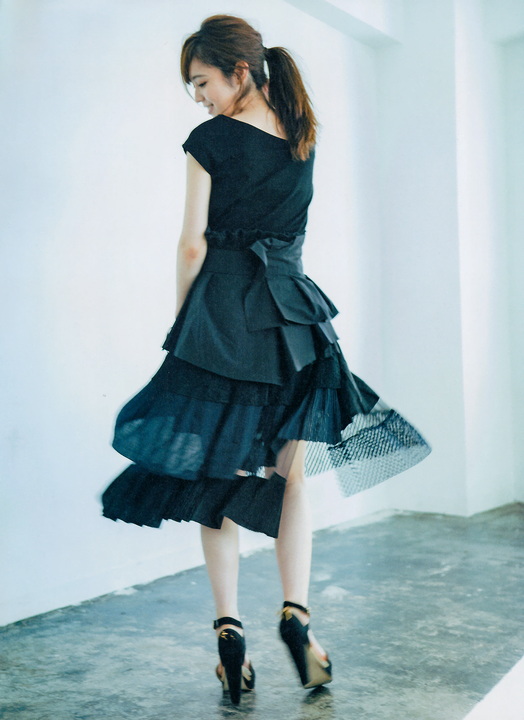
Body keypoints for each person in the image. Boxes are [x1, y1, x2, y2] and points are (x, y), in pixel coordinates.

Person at [101, 14, 431, 705]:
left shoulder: (211, 141)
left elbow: (191, 244)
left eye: (202, 82)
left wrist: (186, 322)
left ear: (239, 71)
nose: (198, 97)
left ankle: (229, 635)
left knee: (214, 476)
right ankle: (297, 615)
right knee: (290, 479)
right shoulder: (303, 134)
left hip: (222, 320)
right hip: (293, 321)